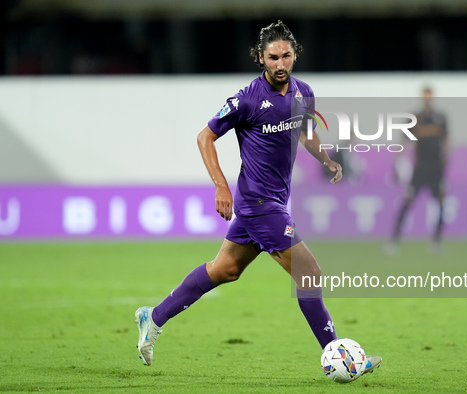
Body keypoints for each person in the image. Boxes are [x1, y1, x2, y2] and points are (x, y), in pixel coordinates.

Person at [134, 20, 381, 375]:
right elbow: (205, 137)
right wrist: (221, 185)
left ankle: (153, 317)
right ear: (260, 59)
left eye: (286, 56)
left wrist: (326, 159)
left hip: (274, 202)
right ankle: (339, 359)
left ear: (295, 55)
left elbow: (305, 130)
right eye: (273, 57)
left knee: (225, 270)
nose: (280, 64)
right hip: (258, 204)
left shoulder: (303, 92)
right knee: (309, 273)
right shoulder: (247, 99)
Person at [384, 87, 449, 255]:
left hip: (436, 169)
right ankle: (394, 241)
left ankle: (436, 242)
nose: (427, 99)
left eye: (429, 96)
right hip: (420, 169)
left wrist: (446, 161)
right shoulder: (415, 118)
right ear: (422, 98)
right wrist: (396, 162)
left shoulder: (441, 118)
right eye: (424, 96)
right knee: (407, 202)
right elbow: (404, 141)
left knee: (441, 204)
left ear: (432, 98)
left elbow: (447, 141)